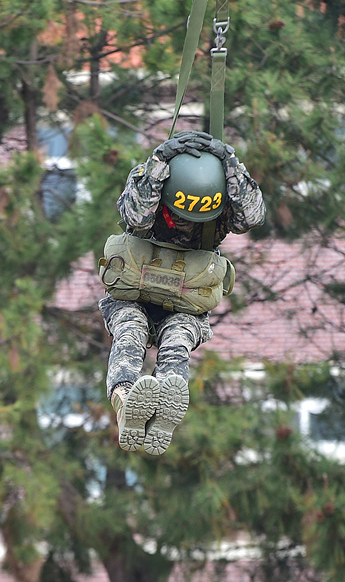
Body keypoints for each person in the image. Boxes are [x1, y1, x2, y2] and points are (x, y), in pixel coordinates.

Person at [100, 130, 265, 455]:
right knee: (130, 333)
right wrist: (159, 163)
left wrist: (231, 165)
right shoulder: (149, 187)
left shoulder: (219, 204)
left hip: (185, 304)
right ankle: (126, 402)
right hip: (132, 297)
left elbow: (254, 216)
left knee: (176, 343)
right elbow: (132, 215)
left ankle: (164, 404)